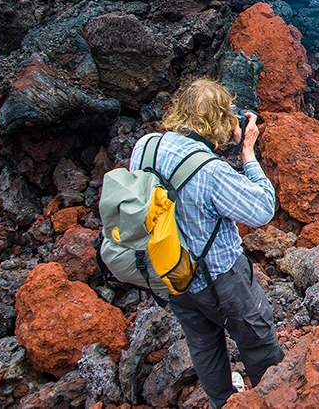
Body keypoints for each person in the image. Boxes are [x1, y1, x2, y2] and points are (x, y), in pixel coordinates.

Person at [128, 78, 283, 408]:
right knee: (257, 338)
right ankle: (274, 399)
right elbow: (262, 209)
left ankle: (222, 402)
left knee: (203, 343)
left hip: (173, 271)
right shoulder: (210, 171)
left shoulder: (145, 146)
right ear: (220, 120)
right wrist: (248, 154)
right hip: (222, 277)